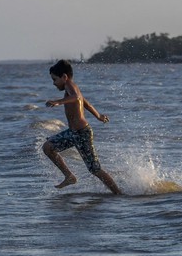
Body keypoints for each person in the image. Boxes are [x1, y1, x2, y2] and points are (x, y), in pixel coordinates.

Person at [42, 60, 122, 194]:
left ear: (64, 77)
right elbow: (86, 102)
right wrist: (98, 116)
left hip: (82, 133)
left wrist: (58, 102)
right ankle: (69, 176)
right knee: (48, 147)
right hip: (73, 132)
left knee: (95, 170)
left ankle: (119, 194)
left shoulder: (70, 86)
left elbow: (77, 97)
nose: (54, 83)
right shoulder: (71, 89)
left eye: (55, 79)